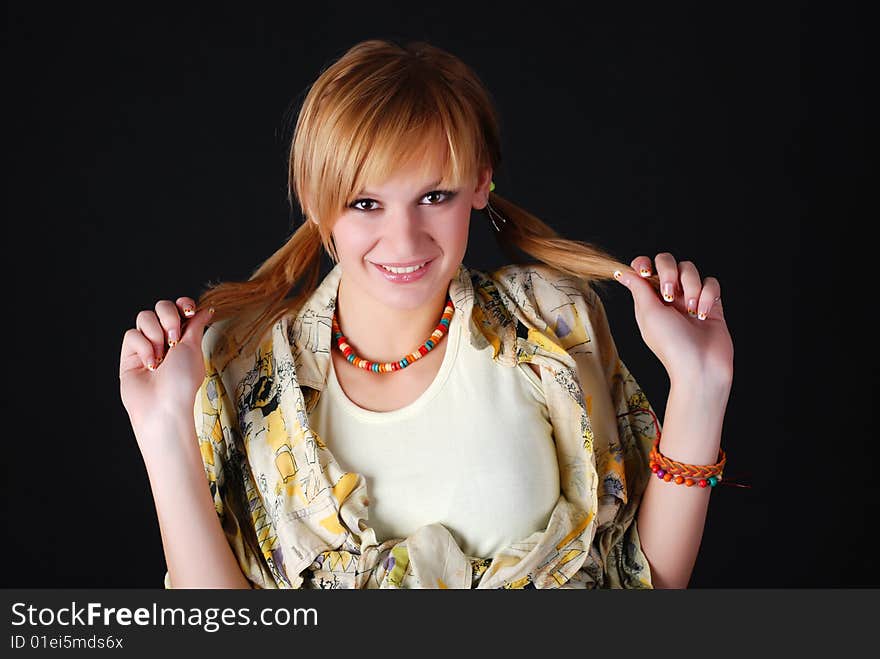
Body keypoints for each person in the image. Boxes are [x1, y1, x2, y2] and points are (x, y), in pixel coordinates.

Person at [119, 39, 734, 589]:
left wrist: (700, 388)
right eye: (365, 203)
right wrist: (163, 428)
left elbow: (644, 584)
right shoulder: (237, 363)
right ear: (316, 203)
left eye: (433, 196)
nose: (404, 240)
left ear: (480, 185)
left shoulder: (552, 324)